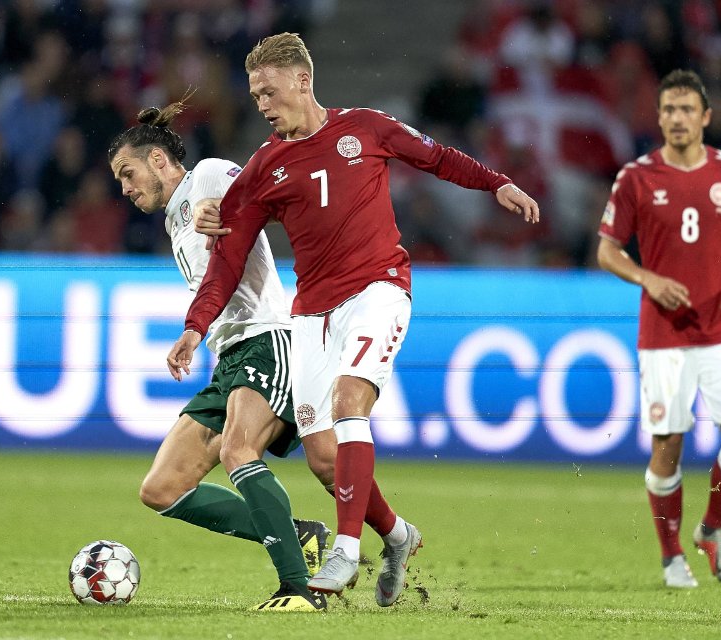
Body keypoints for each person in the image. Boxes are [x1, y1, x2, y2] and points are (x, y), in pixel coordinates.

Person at [169, 32, 540, 606]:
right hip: (312, 314)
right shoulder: (263, 168)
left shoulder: (366, 127)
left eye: (268, 92)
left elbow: (437, 157)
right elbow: (226, 264)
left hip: (380, 288)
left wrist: (498, 183)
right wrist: (195, 328)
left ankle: (344, 548)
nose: (261, 105)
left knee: (348, 405)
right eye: (255, 96)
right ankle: (396, 535)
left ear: (302, 80)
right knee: (323, 457)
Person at [108, 100, 333, 612]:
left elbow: (259, 188)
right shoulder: (174, 222)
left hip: (268, 339)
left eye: (128, 173)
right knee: (162, 488)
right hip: (227, 355)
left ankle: (298, 591)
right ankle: (299, 535)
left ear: (159, 160)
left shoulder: (208, 176)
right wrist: (196, 332)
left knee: (237, 451)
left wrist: (232, 204)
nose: (124, 188)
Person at [596, 69, 721, 588]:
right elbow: (607, 250)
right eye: (668, 109)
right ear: (659, 117)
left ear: (705, 117)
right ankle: (672, 555)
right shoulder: (636, 177)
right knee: (667, 443)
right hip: (664, 333)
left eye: (686, 109)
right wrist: (646, 276)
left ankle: (711, 530)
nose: (677, 118)